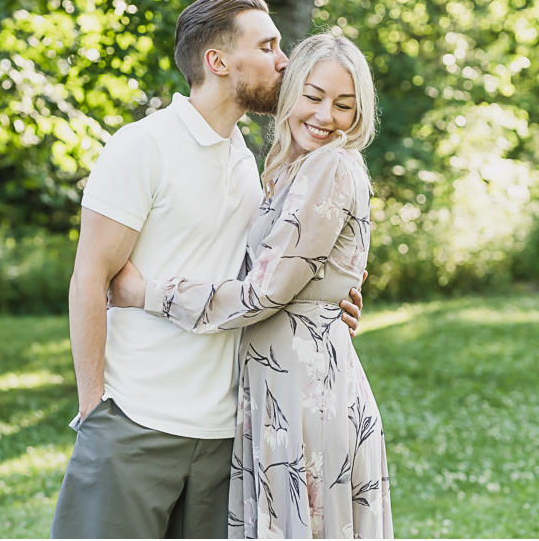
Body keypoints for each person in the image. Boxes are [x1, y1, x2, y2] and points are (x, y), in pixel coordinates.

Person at [50, 0, 364, 539]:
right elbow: (90, 279)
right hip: (137, 424)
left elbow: (264, 278)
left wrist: (321, 304)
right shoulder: (142, 146)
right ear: (218, 62)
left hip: (230, 434)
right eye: (267, 46)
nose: (283, 59)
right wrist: (94, 409)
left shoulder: (251, 162)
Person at [109, 33, 393, 539]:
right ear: (290, 93)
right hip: (279, 386)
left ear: (360, 113)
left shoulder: (330, 166)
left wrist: (147, 293)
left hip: (304, 394)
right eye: (313, 96)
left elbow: (264, 292)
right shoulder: (287, 169)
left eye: (343, 105)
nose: (325, 116)